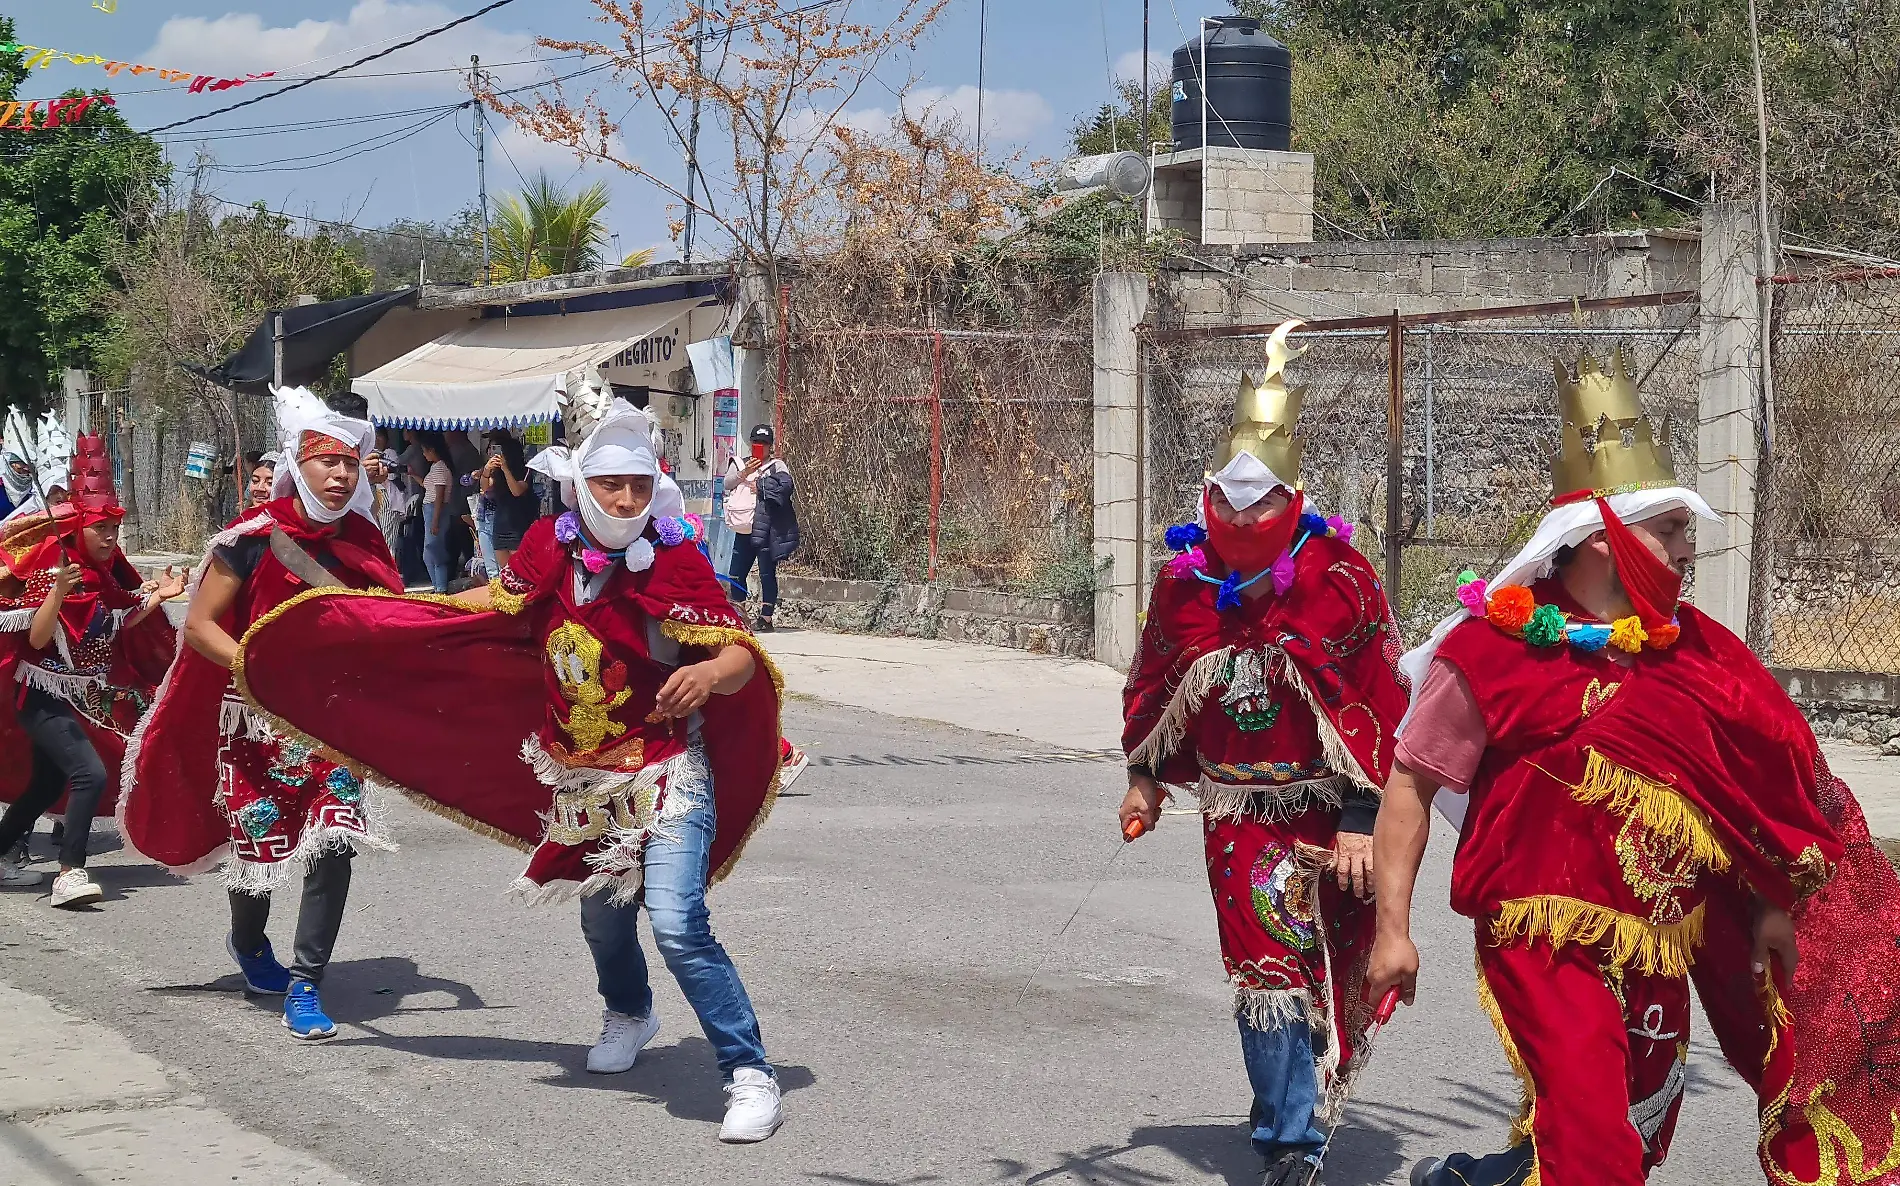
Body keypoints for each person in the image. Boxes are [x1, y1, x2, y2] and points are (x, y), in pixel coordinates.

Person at [1368, 350, 1900, 1186]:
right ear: (1605, 540)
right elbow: (1411, 783)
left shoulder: (1699, 653)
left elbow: (1754, 792)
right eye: (1672, 530)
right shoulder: (1490, 651)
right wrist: (1393, 932)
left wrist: (1769, 903)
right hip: (1543, 940)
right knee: (1596, 1151)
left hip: (1661, 941)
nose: (1690, 549)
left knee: (1633, 1135)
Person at [228, 392, 790, 1143]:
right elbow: (494, 603)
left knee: (680, 921)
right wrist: (400, 627)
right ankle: (629, 1012)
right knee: (602, 920)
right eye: (607, 485)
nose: (622, 499)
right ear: (579, 485)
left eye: (634, 485)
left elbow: (736, 653)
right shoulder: (550, 550)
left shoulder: (678, 555)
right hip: (586, 781)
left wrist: (711, 676)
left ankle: (748, 1071)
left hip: (666, 766)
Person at [1119, 322, 1412, 1186]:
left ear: (1295, 496)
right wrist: (1143, 778)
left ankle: (1307, 1087)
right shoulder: (1181, 584)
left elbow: (1380, 698)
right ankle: (1285, 1137)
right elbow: (1152, 683)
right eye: (1230, 500)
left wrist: (1364, 820)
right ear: (1208, 495)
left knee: (1339, 960)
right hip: (1238, 813)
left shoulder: (1340, 577)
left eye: (1263, 500)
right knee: (1264, 970)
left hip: (1330, 810)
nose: (1245, 517)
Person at [122, 386, 404, 1041]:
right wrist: (259, 671)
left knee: (333, 843)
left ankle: (306, 984)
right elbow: (199, 626)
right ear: (295, 464)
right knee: (259, 854)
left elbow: (391, 621)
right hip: (252, 719)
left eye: (350, 465)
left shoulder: (364, 539)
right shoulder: (249, 541)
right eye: (325, 463)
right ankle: (249, 945)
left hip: (329, 724)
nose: (338, 476)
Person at [0, 432, 181, 904]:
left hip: (73, 696)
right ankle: (70, 873)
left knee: (47, 783)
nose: (109, 538)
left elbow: (117, 623)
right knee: (90, 773)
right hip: (39, 695)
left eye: (115, 530)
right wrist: (58, 589)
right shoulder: (54, 569)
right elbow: (37, 640)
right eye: (101, 529)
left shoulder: (103, 576)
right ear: (78, 526)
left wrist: (159, 596)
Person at [723, 424, 795, 632]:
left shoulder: (776, 466)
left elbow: (786, 487)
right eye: (756, 442)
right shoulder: (739, 463)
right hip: (744, 527)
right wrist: (746, 472)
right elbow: (727, 483)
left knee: (766, 573)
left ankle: (766, 618)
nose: (760, 447)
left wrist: (762, 486)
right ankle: (740, 615)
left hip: (766, 528)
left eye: (764, 443)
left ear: (770, 446)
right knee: (736, 573)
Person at [482, 431, 538, 572]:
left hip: (518, 525)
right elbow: (485, 489)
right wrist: (486, 471)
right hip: (500, 525)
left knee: (519, 569)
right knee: (504, 571)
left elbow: (516, 491)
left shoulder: (525, 471)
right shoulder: (496, 473)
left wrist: (505, 468)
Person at [418, 434, 454, 593]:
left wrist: (435, 521)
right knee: (429, 552)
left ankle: (440, 586)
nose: (424, 455)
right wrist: (412, 474)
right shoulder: (436, 467)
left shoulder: (439, 467)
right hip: (431, 509)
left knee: (435, 550)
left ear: (431, 450)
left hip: (435, 509)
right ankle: (437, 584)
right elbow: (429, 487)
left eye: (425, 451)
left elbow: (439, 495)